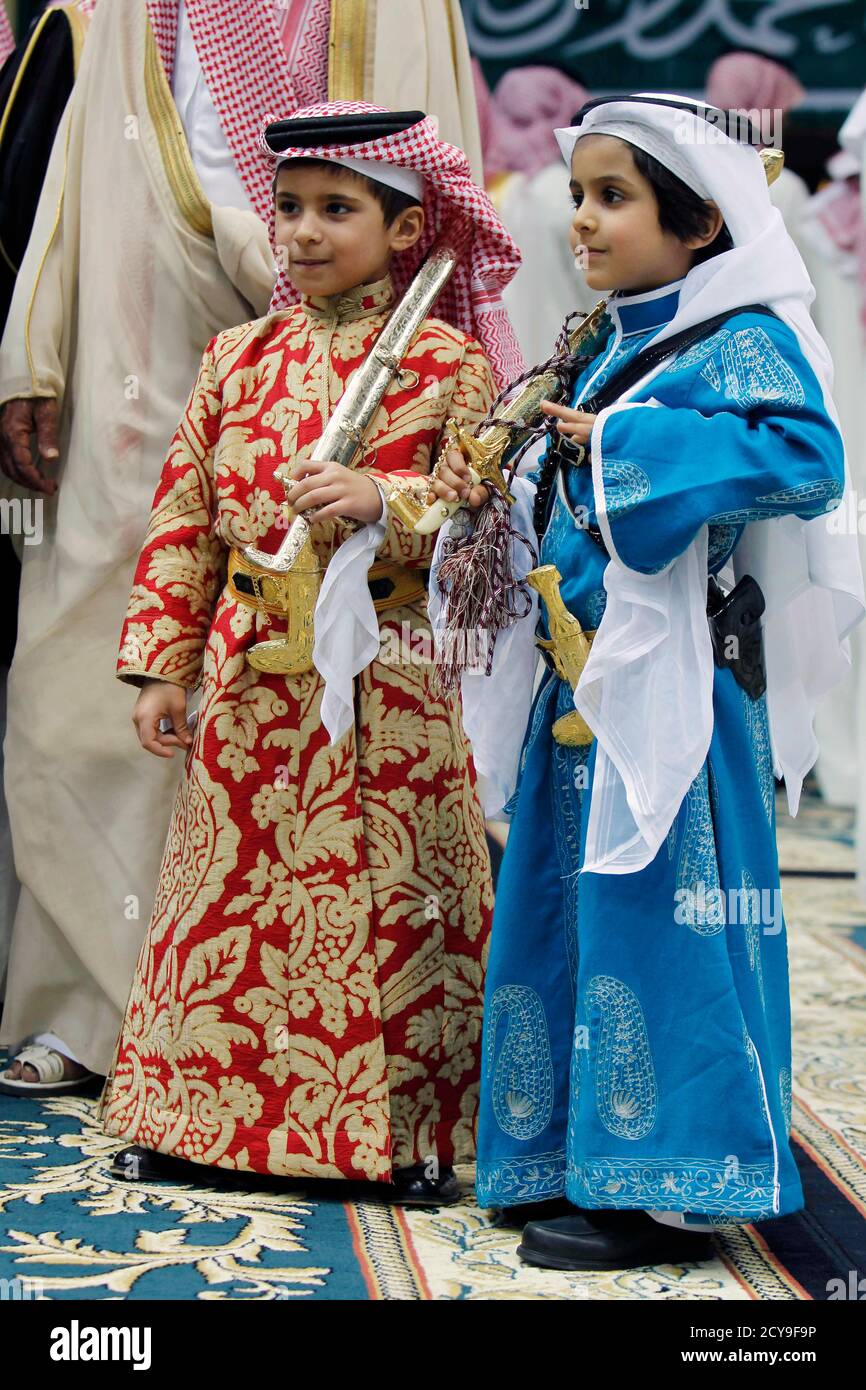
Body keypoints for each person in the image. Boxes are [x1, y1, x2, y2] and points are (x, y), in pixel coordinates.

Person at [430, 93, 863, 1267]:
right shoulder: (607, 332)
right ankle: (566, 1155)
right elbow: (561, 478)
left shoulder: (743, 336)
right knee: (564, 900)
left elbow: (806, 461)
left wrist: (614, 446)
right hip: (577, 680)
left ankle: (662, 1185)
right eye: (578, 193)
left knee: (661, 919)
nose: (581, 219)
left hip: (681, 683)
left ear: (701, 223)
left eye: (612, 197)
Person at [97, 103, 522, 1201]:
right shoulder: (236, 356)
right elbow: (184, 513)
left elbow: (479, 507)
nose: (303, 231)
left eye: (338, 209)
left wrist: (386, 495)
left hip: (385, 669)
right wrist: (160, 661)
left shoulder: (445, 361)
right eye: (288, 207)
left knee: (394, 895)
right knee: (223, 900)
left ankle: (412, 1132)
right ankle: (192, 1121)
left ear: (405, 228)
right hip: (249, 670)